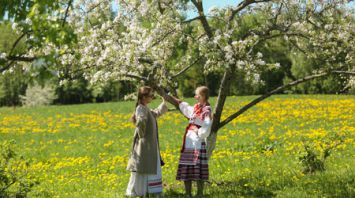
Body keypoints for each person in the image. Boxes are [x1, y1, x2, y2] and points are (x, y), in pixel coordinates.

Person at [126, 86, 168, 198]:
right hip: (145, 146)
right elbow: (141, 121)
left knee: (148, 166)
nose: (152, 97)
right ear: (144, 97)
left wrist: (164, 102)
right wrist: (140, 125)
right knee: (145, 167)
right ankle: (141, 192)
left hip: (149, 145)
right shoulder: (141, 108)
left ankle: (148, 192)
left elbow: (156, 113)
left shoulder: (146, 108)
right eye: (151, 95)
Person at [175, 86, 212, 198]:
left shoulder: (207, 110)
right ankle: (188, 194)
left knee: (198, 168)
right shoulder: (196, 108)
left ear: (204, 96)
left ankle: (200, 194)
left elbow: (207, 125)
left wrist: (198, 131)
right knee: (187, 167)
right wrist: (171, 99)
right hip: (189, 142)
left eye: (198, 95)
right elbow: (185, 108)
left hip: (197, 143)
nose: (195, 97)